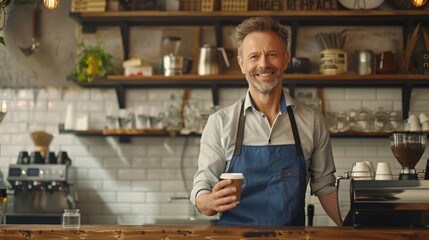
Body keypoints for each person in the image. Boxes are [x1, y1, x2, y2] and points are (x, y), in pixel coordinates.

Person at [190, 16, 340, 226]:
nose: (263, 64)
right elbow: (203, 184)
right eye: (254, 56)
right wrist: (208, 202)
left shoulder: (312, 121)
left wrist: (351, 228)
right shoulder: (219, 123)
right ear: (242, 64)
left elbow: (325, 185)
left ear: (285, 59)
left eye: (272, 55)